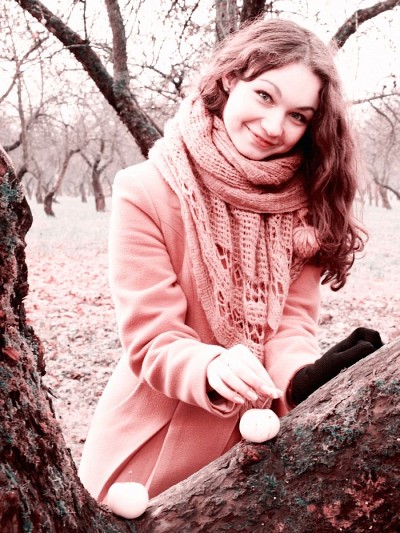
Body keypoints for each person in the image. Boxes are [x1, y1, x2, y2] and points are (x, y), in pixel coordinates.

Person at [79, 18, 383, 502]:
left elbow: (289, 327)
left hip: (260, 451)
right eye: (264, 95)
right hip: (151, 451)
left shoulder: (308, 206)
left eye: (298, 116)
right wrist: (211, 366)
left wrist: (301, 378)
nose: (274, 126)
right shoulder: (144, 190)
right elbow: (151, 338)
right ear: (229, 79)